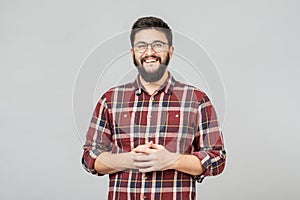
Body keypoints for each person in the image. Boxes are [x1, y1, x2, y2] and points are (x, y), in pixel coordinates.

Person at [82, 16, 226, 200]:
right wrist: (129, 160)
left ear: (171, 51)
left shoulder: (197, 100)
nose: (149, 52)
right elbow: (89, 157)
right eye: (141, 46)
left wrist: (172, 160)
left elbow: (217, 159)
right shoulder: (110, 100)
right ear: (133, 52)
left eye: (158, 45)